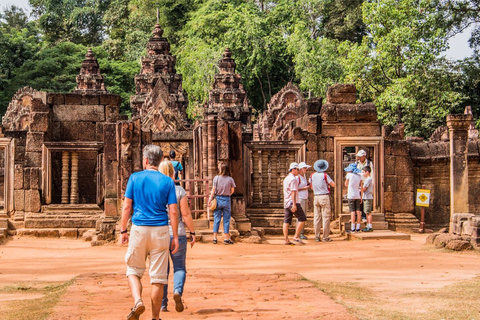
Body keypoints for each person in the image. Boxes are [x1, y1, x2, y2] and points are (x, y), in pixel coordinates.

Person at [120, 145, 179, 320]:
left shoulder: (135, 178)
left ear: (145, 160)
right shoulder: (168, 181)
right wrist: (175, 236)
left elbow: (126, 207)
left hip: (139, 229)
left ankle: (138, 301)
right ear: (161, 161)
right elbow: (173, 211)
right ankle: (155, 317)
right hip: (160, 230)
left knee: (133, 270)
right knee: (158, 278)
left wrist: (123, 229)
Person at [159, 160, 196, 313]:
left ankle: (162, 304)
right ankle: (177, 291)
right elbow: (185, 214)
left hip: (159, 234)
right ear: (173, 173)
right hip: (178, 233)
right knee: (179, 267)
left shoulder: (156, 190)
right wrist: (193, 232)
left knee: (162, 270)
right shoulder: (179, 190)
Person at [208, 162, 236, 244]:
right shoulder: (230, 179)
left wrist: (210, 199)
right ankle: (226, 238)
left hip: (218, 199)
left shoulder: (216, 178)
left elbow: (213, 190)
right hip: (226, 199)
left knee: (217, 218)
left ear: (221, 169)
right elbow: (232, 190)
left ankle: (215, 238)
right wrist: (227, 194)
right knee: (226, 219)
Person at [310, 159, 336, 242]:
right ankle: (325, 237)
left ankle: (317, 236)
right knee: (326, 217)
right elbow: (333, 185)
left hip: (316, 196)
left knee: (317, 217)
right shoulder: (325, 175)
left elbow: (311, 186)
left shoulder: (312, 175)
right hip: (324, 196)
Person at [283, 162, 307, 245]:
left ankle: (286, 240)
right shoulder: (293, 179)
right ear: (293, 170)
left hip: (286, 202)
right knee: (302, 218)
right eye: (297, 170)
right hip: (292, 201)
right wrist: (294, 204)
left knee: (286, 221)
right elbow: (293, 192)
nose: (298, 171)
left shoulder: (286, 178)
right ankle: (296, 236)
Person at [356, 149, 373, 222]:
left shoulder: (369, 163)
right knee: (358, 200)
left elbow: (372, 173)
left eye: (360, 156)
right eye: (358, 156)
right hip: (359, 183)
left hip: (366, 183)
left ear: (364, 156)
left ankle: (364, 216)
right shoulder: (357, 163)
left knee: (364, 200)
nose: (359, 158)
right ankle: (358, 216)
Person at [344, 163, 362, 233]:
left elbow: (346, 184)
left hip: (351, 195)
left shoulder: (349, 175)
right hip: (357, 195)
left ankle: (352, 227)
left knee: (352, 211)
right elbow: (361, 187)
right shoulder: (359, 176)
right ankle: (358, 227)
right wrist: (361, 197)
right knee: (358, 211)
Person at [297, 162, 311, 240]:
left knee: (303, 216)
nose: (306, 169)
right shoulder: (297, 177)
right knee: (300, 216)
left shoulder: (304, 177)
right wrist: (304, 188)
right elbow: (295, 189)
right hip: (300, 198)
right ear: (301, 169)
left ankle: (301, 233)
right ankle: (299, 233)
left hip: (304, 198)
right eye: (304, 168)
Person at [361, 165, 374, 232]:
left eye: (363, 172)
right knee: (366, 212)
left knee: (368, 212)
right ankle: (368, 225)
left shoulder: (368, 180)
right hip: (367, 197)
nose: (363, 173)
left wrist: (360, 186)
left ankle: (370, 226)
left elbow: (364, 189)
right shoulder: (368, 179)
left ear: (367, 172)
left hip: (368, 197)